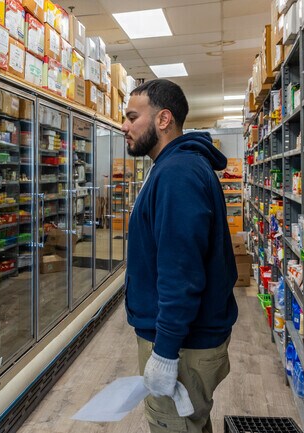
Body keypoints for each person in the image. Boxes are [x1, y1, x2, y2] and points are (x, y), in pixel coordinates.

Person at [121, 79, 238, 433]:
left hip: (182, 343)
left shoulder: (177, 174)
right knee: (191, 423)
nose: (124, 126)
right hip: (187, 336)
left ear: (163, 119)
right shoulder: (175, 167)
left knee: (173, 424)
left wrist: (166, 351)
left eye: (132, 117)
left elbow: (180, 272)